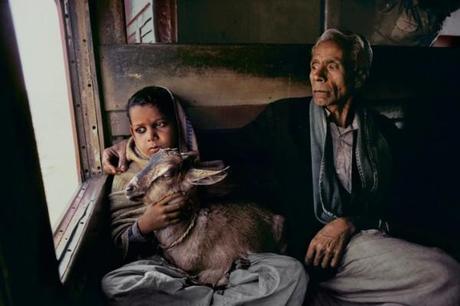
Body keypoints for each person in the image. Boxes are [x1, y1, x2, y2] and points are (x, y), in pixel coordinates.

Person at [103, 30, 460, 305]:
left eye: (331, 66)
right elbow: (199, 151)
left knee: (446, 278)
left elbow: (407, 200)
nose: (317, 75)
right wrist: (127, 146)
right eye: (313, 65)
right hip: (303, 248)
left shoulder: (382, 134)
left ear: (360, 73)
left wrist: (350, 222)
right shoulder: (284, 120)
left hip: (357, 246)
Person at [101, 86, 307, 306]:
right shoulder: (127, 176)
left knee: (292, 274)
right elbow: (118, 245)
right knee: (116, 283)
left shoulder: (201, 156)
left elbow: (235, 197)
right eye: (141, 130)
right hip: (166, 267)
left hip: (229, 262)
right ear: (132, 133)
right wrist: (145, 224)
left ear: (177, 123)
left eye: (160, 124)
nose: (151, 137)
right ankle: (217, 300)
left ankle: (207, 297)